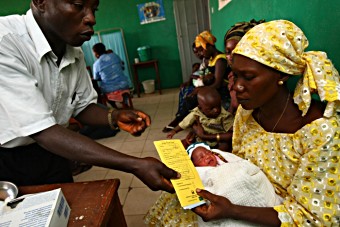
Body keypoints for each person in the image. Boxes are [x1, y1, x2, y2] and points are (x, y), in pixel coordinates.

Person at [0, 0, 179, 191]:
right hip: (10, 161)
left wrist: (114, 116)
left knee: (65, 211)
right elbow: (43, 131)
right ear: (41, 2)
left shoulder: (74, 52)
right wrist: (134, 164)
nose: (92, 19)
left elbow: (82, 106)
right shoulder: (6, 40)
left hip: (55, 153)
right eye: (78, 5)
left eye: (94, 9)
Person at [192, 20, 340, 226]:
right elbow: (239, 165)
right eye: (234, 75)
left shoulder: (321, 132)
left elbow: (312, 218)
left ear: (281, 74)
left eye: (249, 77)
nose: (236, 87)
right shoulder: (247, 113)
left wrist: (233, 210)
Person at [144, 143, 282, 227]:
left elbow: (241, 165)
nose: (207, 157)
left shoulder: (224, 159)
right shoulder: (201, 172)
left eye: (208, 153)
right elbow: (200, 183)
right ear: (195, 165)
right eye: (201, 158)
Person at [163, 32, 231, 132]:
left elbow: (218, 84)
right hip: (212, 88)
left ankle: (180, 119)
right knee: (188, 92)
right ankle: (180, 118)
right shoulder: (210, 59)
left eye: (202, 50)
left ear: (210, 46)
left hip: (221, 90)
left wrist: (199, 90)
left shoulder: (220, 60)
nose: (202, 53)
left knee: (191, 97)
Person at [167, 87, 233, 151]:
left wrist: (204, 135)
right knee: (187, 145)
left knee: (225, 144)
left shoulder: (225, 116)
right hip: (201, 141)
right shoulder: (196, 113)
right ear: (200, 108)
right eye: (211, 108)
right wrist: (174, 131)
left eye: (218, 105)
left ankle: (218, 155)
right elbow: (185, 122)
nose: (216, 110)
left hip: (218, 141)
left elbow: (231, 133)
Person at [162, 43, 208, 133]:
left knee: (189, 95)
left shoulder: (212, 61)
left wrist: (199, 87)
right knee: (184, 89)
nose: (198, 54)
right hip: (200, 84)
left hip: (206, 87)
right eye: (195, 52)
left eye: (199, 51)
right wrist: (188, 81)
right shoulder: (203, 61)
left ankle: (179, 118)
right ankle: (180, 115)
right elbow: (196, 74)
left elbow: (210, 79)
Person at [224, 19, 265, 115]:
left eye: (236, 51)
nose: (230, 57)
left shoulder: (255, 77)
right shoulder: (232, 75)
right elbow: (234, 105)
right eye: (228, 52)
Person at [92, 43, 130, 109]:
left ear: (96, 53)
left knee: (102, 92)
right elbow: (122, 67)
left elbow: (96, 78)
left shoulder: (96, 64)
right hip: (124, 85)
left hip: (110, 89)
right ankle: (124, 103)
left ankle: (116, 108)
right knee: (121, 83)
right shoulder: (115, 56)